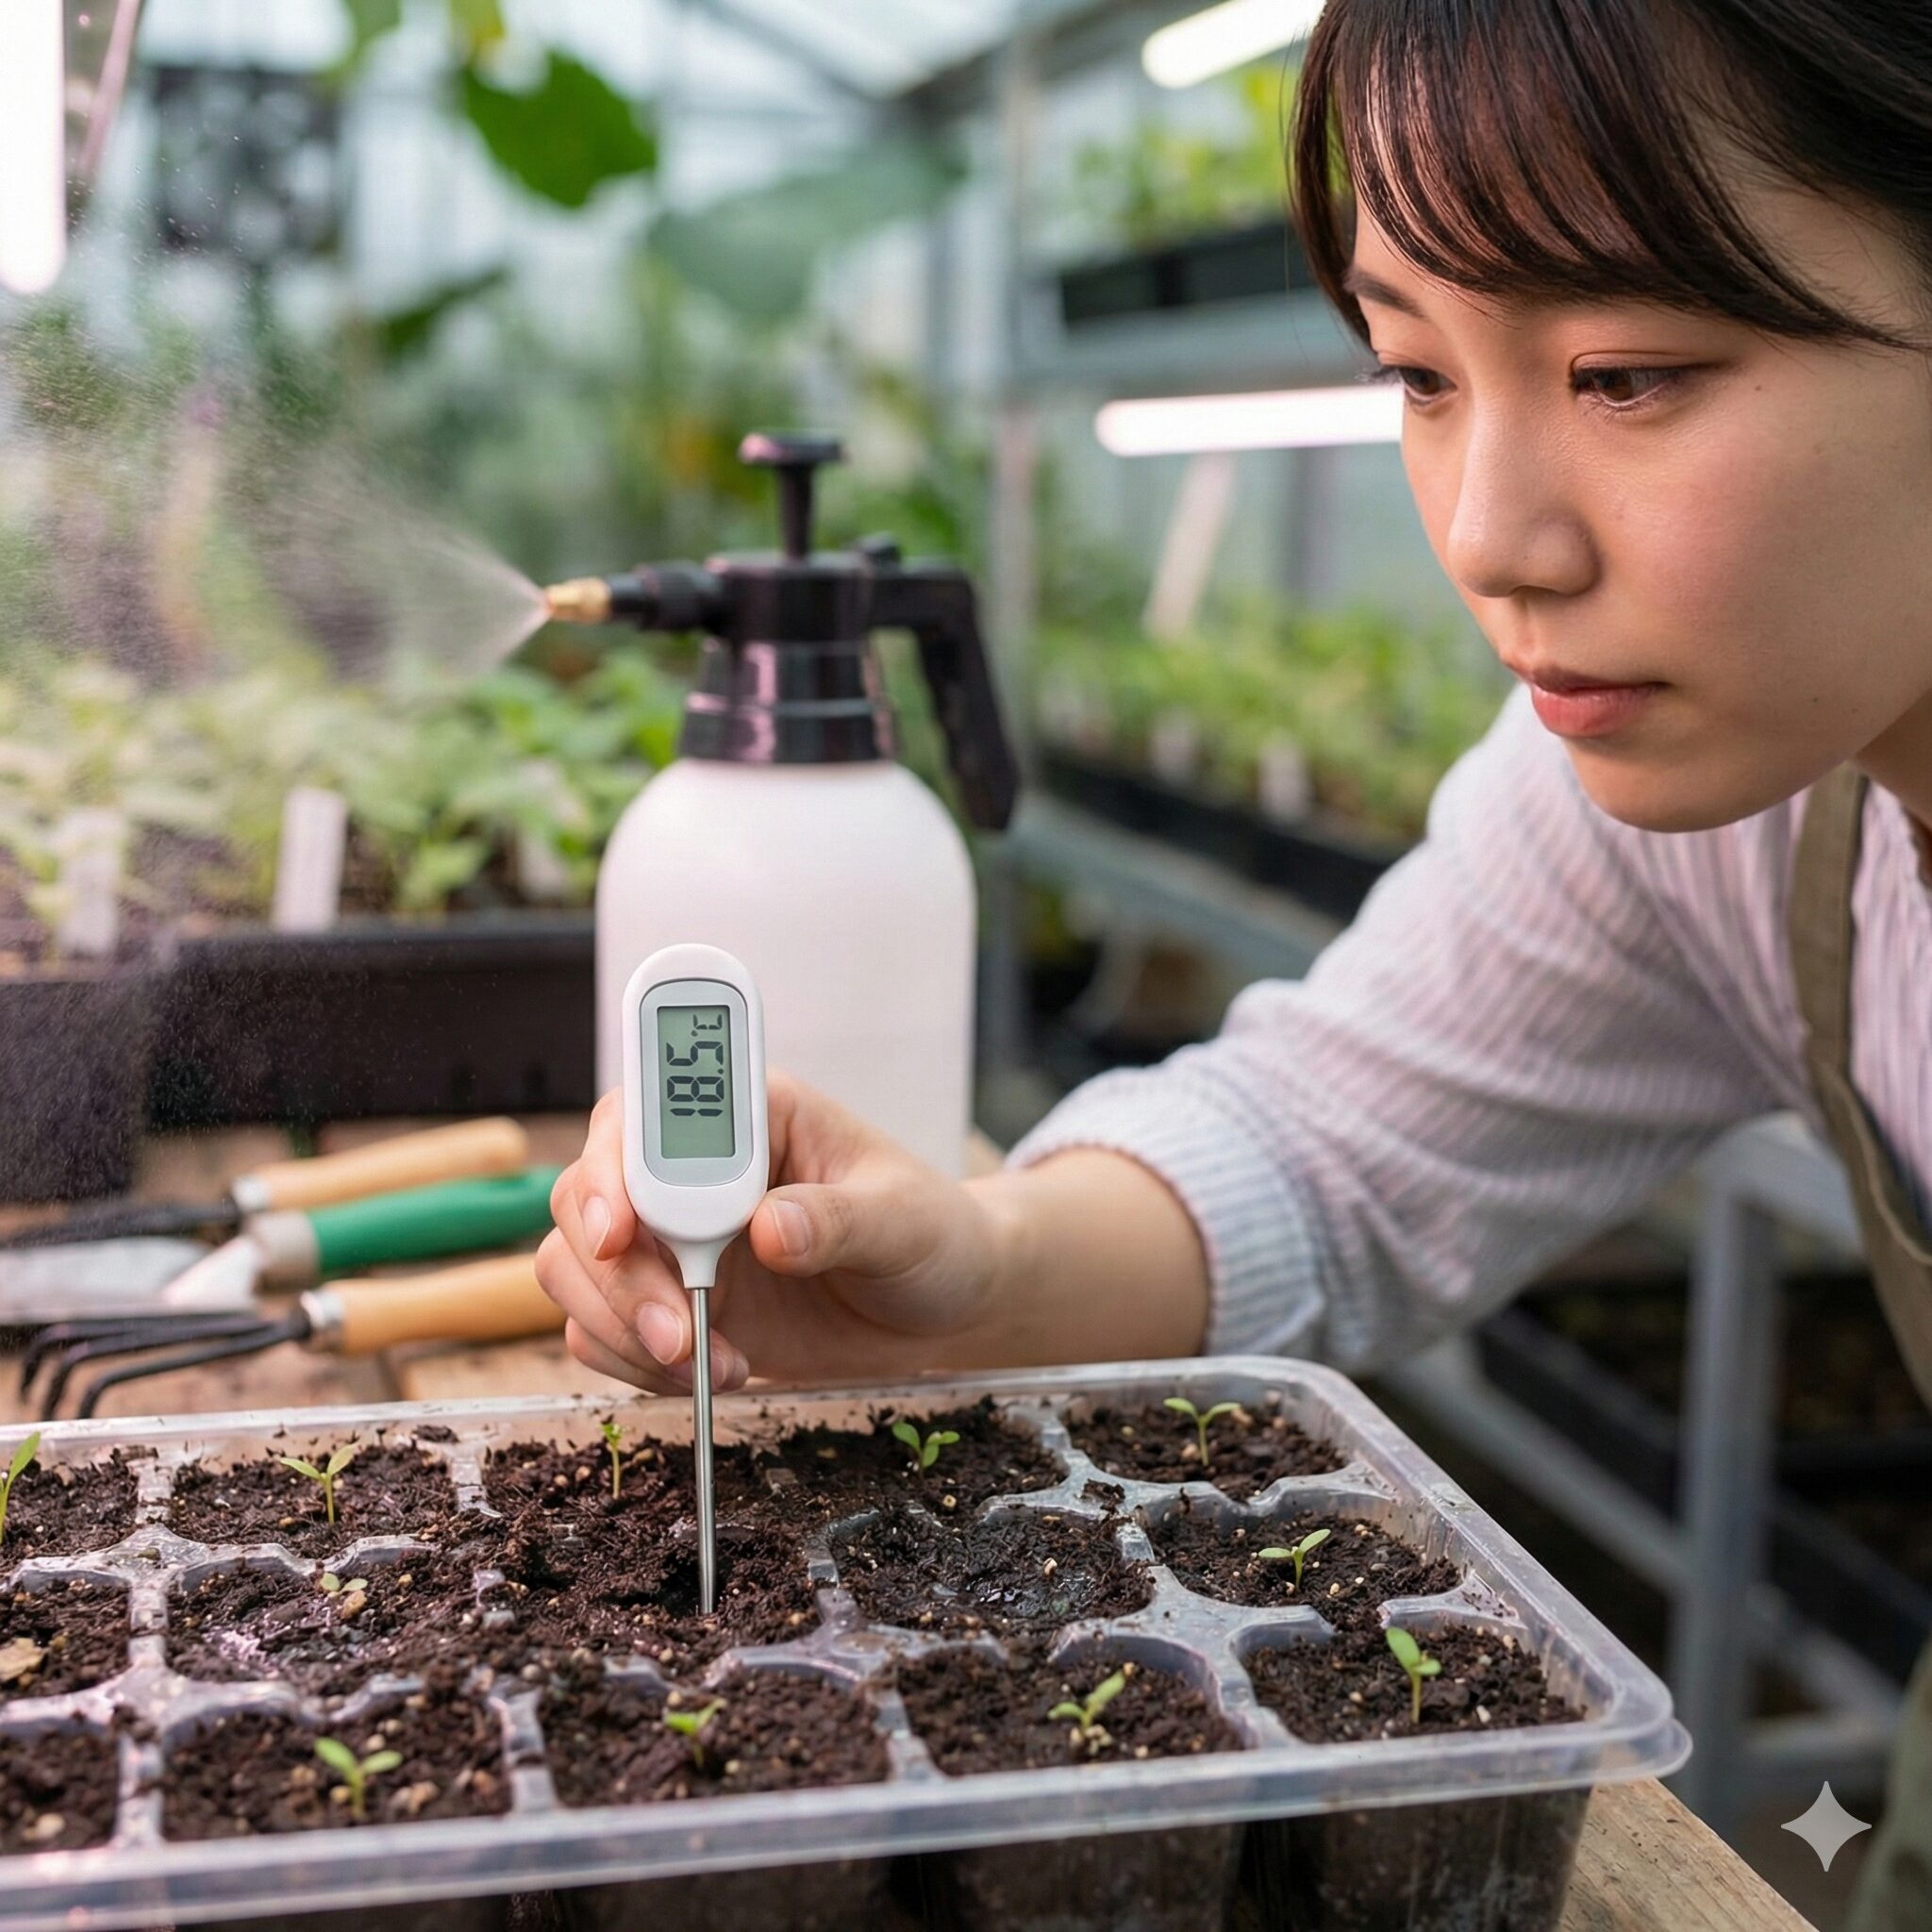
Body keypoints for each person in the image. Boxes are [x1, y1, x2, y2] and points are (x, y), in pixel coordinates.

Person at [538, 4, 1932, 1924]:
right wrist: (965, 1267)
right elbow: (1329, 1143)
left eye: (1626, 371)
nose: (1485, 534)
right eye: (1417, 372)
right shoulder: (1747, 802)